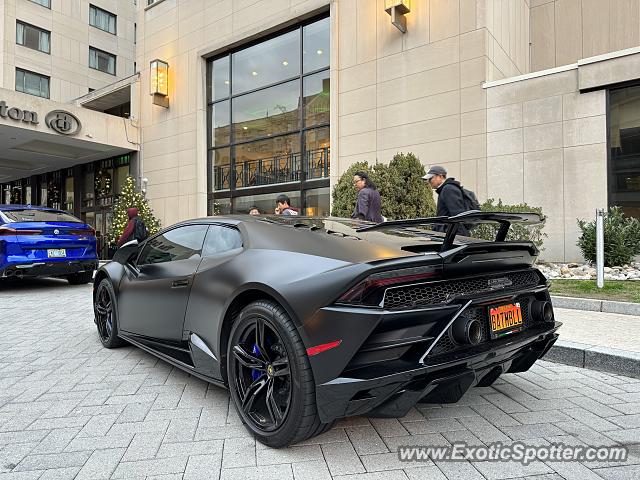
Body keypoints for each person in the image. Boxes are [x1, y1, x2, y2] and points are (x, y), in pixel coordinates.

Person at [422, 165, 470, 236]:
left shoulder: (448, 189)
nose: (429, 182)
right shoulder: (445, 189)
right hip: (448, 236)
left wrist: (459, 238)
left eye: (431, 178)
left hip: (453, 238)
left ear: (440, 176)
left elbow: (458, 217)